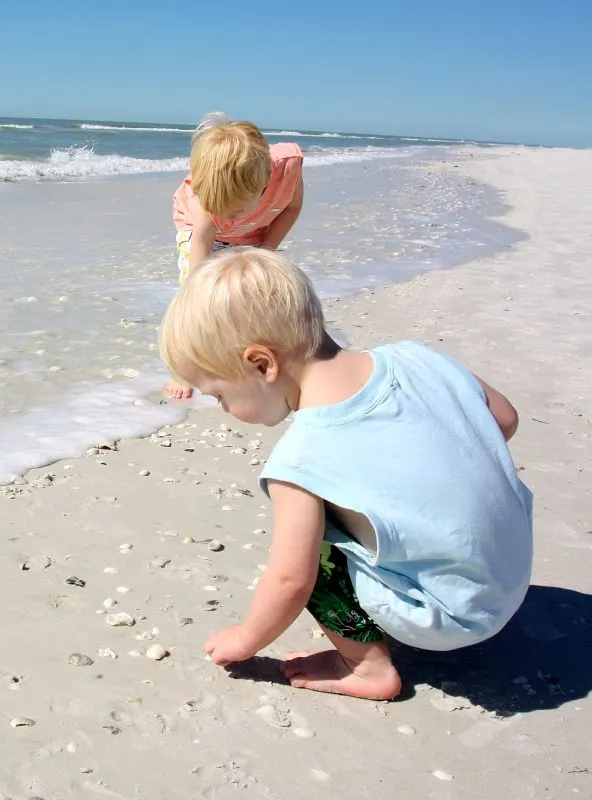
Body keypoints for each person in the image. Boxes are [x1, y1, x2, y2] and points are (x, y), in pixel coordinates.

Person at [157, 247, 533, 700]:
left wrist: (244, 639)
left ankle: (364, 667)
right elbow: (505, 419)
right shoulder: (414, 356)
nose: (224, 409)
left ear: (262, 364)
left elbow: (291, 581)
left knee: (314, 548)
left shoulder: (301, 459)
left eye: (219, 395)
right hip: (513, 572)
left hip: (450, 619)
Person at [167, 113, 305, 400]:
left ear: (264, 182)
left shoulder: (287, 168)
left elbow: (291, 209)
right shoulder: (204, 199)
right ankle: (183, 368)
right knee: (201, 300)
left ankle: (247, 355)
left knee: (255, 294)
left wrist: (267, 249)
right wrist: (196, 292)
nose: (225, 216)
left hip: (256, 231)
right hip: (199, 232)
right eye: (221, 208)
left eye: (233, 209)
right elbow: (203, 241)